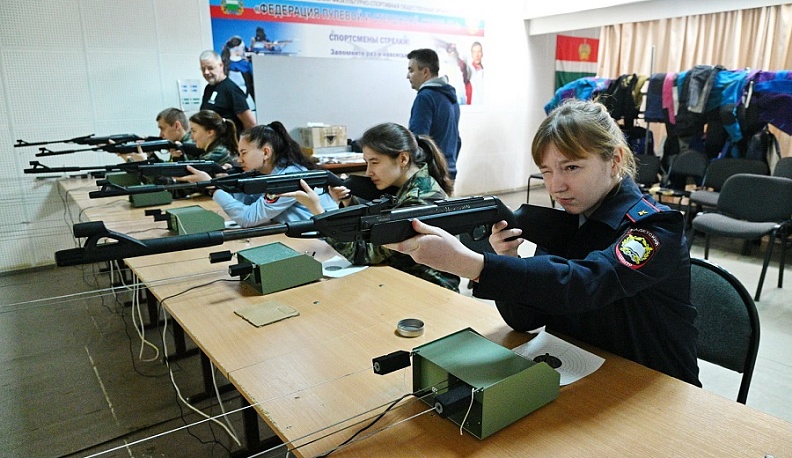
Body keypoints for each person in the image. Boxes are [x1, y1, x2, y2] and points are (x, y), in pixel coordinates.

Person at [386, 100, 701, 386]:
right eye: (546, 171)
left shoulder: (655, 226)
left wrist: (471, 264)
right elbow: (525, 320)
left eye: (571, 167)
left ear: (615, 160)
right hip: (583, 373)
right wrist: (509, 256)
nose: (556, 186)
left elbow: (587, 282)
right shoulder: (569, 221)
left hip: (655, 385)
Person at [282, 122, 460, 292]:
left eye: (374, 162)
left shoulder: (418, 200)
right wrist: (348, 201)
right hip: (405, 280)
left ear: (403, 158)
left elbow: (363, 254)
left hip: (430, 288)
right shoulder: (414, 186)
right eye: (367, 163)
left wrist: (317, 210)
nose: (368, 172)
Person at [178, 121, 337, 228]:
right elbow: (249, 203)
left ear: (266, 152)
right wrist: (226, 183)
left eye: (243, 153)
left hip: (323, 242)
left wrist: (213, 188)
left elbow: (248, 218)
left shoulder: (286, 178)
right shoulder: (268, 173)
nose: (239, 160)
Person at [406, 48, 461, 181]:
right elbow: (457, 140)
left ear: (425, 72)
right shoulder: (450, 97)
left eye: (411, 70)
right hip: (449, 170)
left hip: (431, 175)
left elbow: (418, 140)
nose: (408, 76)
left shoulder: (425, 97)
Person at [199, 50, 256, 135]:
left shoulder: (231, 89)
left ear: (221, 65)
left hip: (229, 145)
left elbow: (251, 124)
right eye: (203, 69)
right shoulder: (208, 88)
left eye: (210, 68)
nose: (206, 72)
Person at [221, 36, 255, 102]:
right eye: (243, 48)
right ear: (238, 49)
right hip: (246, 99)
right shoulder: (245, 64)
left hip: (228, 99)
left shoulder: (223, 64)